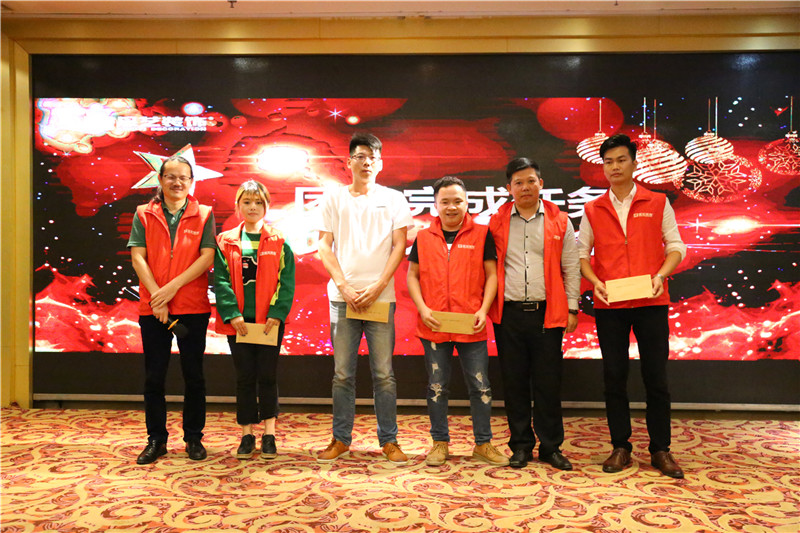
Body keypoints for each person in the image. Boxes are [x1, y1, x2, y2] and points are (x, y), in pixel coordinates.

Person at [578, 133, 687, 478]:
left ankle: (660, 449)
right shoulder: (593, 208)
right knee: (614, 377)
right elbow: (581, 254)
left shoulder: (657, 201)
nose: (614, 167)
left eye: (621, 160)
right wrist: (594, 282)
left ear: (634, 163)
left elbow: (676, 247)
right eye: (608, 162)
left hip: (651, 301)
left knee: (656, 377)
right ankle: (620, 446)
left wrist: (661, 276)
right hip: (610, 305)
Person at [316, 132, 414, 464]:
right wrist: (343, 285)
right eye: (360, 156)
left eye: (372, 157)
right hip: (342, 299)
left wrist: (378, 285)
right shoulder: (333, 198)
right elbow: (324, 245)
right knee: (343, 374)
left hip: (380, 299)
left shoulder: (394, 199)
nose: (366, 162)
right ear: (349, 162)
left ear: (380, 163)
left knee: (383, 374)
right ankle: (340, 439)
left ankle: (389, 440)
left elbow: (400, 245)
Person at [407, 176, 508, 467]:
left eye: (457, 201)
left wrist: (483, 310)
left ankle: (483, 443)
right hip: (434, 324)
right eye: (445, 202)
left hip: (470, 323)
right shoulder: (423, 237)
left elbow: (492, 275)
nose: (451, 207)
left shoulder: (482, 234)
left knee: (481, 386)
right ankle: (439, 443)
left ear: (467, 203)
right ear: (435, 205)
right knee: (437, 387)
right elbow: (412, 276)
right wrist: (423, 308)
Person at [489, 157, 580, 470]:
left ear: (541, 183)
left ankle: (551, 447)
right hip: (509, 314)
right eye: (518, 182)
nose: (525, 187)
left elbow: (571, 267)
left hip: (547, 313)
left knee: (547, 383)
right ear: (508, 188)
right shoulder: (495, 221)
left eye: (530, 181)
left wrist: (571, 307)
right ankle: (520, 446)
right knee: (513, 383)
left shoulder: (561, 221)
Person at [128, 155, 216, 464]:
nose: (177, 182)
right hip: (154, 309)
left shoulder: (204, 214)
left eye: (183, 177)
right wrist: (158, 297)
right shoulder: (143, 213)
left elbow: (207, 257)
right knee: (154, 377)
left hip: (192, 306)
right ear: (160, 179)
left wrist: (170, 290)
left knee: (194, 375)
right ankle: (156, 439)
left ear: (192, 182)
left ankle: (193, 437)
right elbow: (138, 257)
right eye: (171, 177)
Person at [214, 180, 295, 460]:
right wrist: (232, 313)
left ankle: (269, 434)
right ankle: (247, 434)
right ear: (238, 206)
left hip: (269, 323)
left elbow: (287, 281)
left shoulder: (279, 240)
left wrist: (276, 313)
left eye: (258, 202)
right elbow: (221, 280)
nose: (252, 207)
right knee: (245, 377)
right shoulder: (225, 240)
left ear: (266, 206)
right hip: (239, 324)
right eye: (246, 202)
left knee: (268, 376)